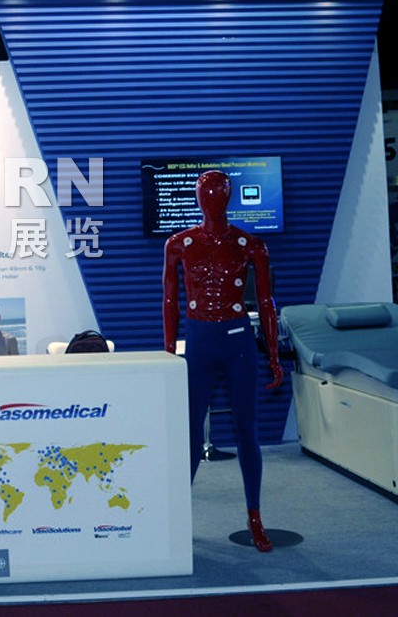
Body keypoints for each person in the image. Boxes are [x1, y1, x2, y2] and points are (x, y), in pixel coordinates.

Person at [162, 170, 284, 553]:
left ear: (228, 197)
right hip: (199, 340)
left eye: (218, 192)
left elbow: (266, 302)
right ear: (198, 198)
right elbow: (170, 299)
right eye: (206, 192)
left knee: (247, 431)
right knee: (190, 433)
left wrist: (274, 353)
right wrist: (168, 351)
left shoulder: (252, 245)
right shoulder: (179, 244)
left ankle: (255, 516)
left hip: (236, 339)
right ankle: (176, 517)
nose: (212, 199)